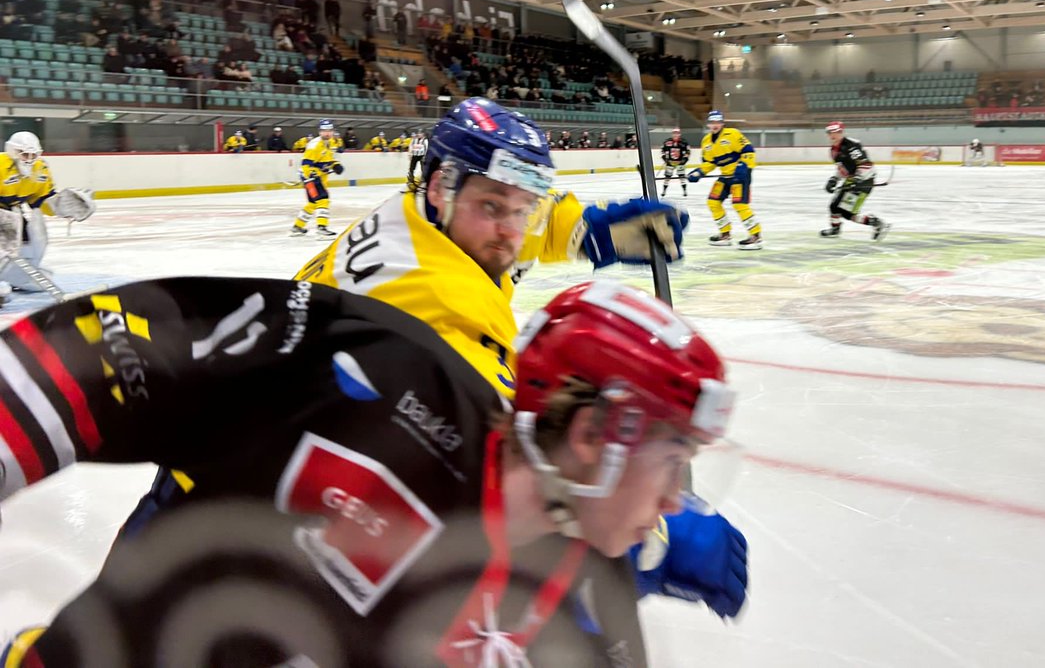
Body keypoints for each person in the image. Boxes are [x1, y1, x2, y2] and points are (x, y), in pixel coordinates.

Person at [0, 275, 734, 666]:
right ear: (594, 432)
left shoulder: (584, 601)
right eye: (672, 464)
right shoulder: (373, 374)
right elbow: (98, 362)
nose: (676, 499)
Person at [290, 98, 747, 621]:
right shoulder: (437, 305)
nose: (512, 231)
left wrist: (592, 230)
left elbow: (516, 216)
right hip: (278, 540)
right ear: (441, 186)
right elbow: (504, 473)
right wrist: (653, 537)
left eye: (522, 207)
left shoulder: (420, 216)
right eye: (492, 207)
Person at [0, 132, 95, 295]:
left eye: (33, 154)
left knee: (32, 235)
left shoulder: (40, 168)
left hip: (13, 210)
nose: (29, 158)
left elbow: (41, 199)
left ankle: (20, 276)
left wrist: (61, 205)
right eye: (24, 154)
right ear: (13, 152)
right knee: (7, 238)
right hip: (4, 212)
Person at [687, 110, 761, 250]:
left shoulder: (733, 134)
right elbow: (709, 162)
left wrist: (743, 166)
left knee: (740, 205)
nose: (715, 125)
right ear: (708, 124)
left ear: (722, 123)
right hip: (725, 176)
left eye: (717, 122)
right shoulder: (706, 141)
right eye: (712, 122)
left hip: (740, 176)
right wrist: (698, 172)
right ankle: (725, 234)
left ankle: (756, 236)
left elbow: (749, 151)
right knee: (713, 202)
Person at [821, 120, 889, 240]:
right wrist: (834, 179)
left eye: (836, 132)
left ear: (842, 132)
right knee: (834, 206)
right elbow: (842, 168)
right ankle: (835, 229)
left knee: (848, 214)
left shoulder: (851, 145)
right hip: (852, 180)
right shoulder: (833, 150)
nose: (832, 135)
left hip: (864, 181)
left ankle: (877, 223)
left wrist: (857, 179)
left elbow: (865, 164)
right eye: (830, 132)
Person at [290, 119, 343, 237]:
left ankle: (297, 227)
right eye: (324, 131)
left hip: (319, 177)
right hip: (311, 177)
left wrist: (335, 165)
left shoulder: (332, 142)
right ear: (319, 132)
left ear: (333, 131)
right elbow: (305, 164)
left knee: (313, 203)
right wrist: (312, 175)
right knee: (323, 199)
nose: (327, 133)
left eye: (329, 130)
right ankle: (322, 228)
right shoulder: (314, 145)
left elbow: (328, 159)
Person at [660, 127, 691, 197]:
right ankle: (664, 191)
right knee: (667, 177)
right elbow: (662, 150)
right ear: (672, 134)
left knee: (682, 177)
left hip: (680, 162)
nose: (675, 135)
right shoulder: (667, 142)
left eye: (677, 133)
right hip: (670, 162)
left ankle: (685, 191)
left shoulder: (684, 142)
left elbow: (688, 151)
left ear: (680, 134)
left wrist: (685, 159)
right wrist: (665, 158)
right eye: (674, 133)